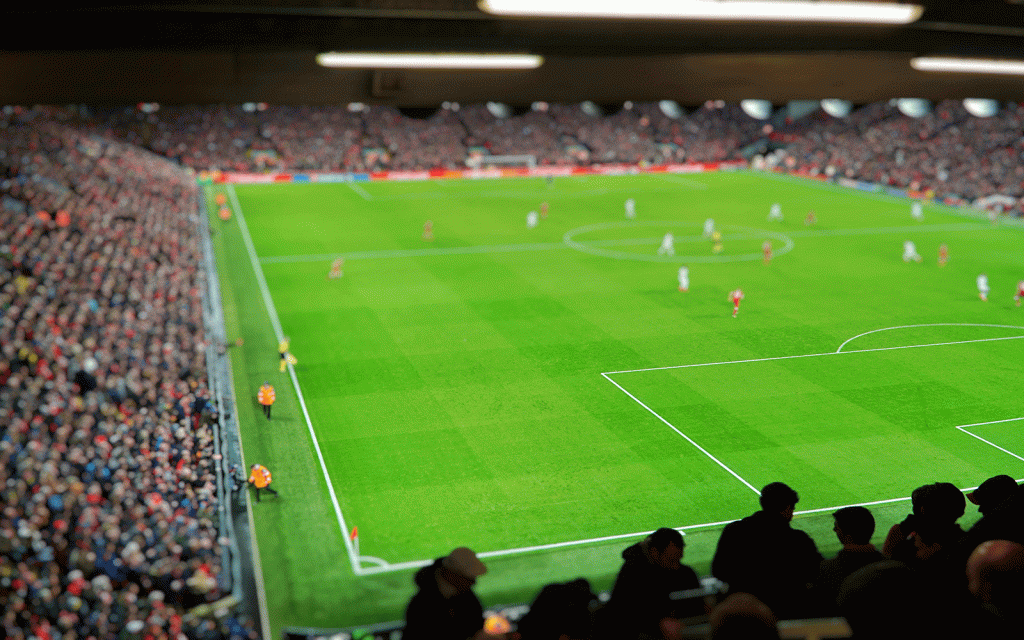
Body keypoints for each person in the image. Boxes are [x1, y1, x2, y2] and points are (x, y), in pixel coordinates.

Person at [711, 482, 823, 619]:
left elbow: (718, 570)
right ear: (788, 508)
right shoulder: (799, 540)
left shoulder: (733, 531)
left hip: (744, 614)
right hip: (787, 612)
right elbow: (817, 572)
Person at [600, 528, 705, 640]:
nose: (676, 566)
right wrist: (659, 623)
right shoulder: (632, 574)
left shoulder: (681, 572)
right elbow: (624, 614)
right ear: (655, 553)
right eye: (671, 561)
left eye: (679, 560)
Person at [403, 547, 489, 640]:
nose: (473, 582)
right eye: (469, 578)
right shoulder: (421, 607)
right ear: (452, 575)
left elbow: (476, 628)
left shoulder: (469, 600)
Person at [817, 506, 884, 611]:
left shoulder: (828, 570)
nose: (834, 529)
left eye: (837, 527)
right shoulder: (891, 565)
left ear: (846, 535)